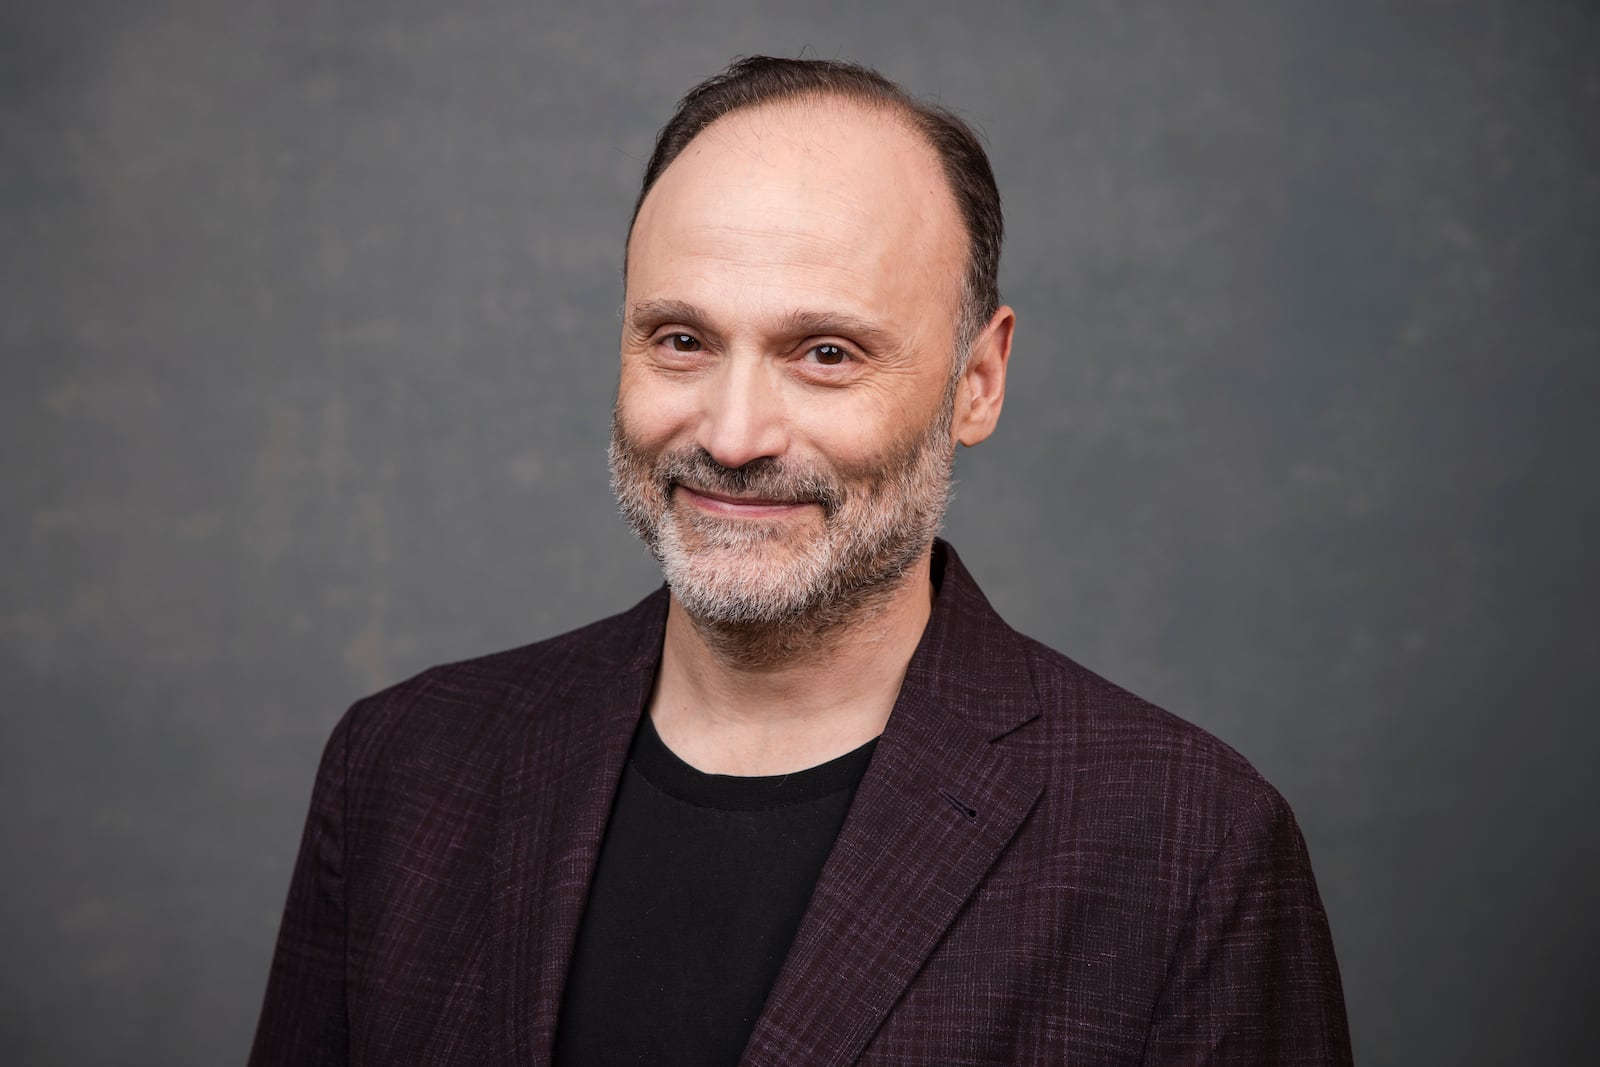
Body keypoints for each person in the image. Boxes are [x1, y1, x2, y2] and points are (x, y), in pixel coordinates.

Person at [249, 56, 1351, 1066]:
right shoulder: (401, 770)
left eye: (825, 353)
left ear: (977, 382)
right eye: (680, 339)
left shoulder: (1186, 845)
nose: (732, 434)